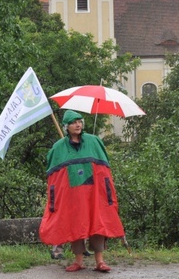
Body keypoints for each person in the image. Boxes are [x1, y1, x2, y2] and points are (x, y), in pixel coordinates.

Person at [39, 110, 125, 273]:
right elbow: (54, 177)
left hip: (94, 194)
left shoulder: (94, 142)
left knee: (97, 222)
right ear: (66, 126)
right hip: (73, 196)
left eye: (80, 121)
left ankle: (100, 261)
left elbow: (104, 170)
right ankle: (78, 261)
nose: (78, 124)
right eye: (73, 122)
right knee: (76, 224)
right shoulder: (58, 147)